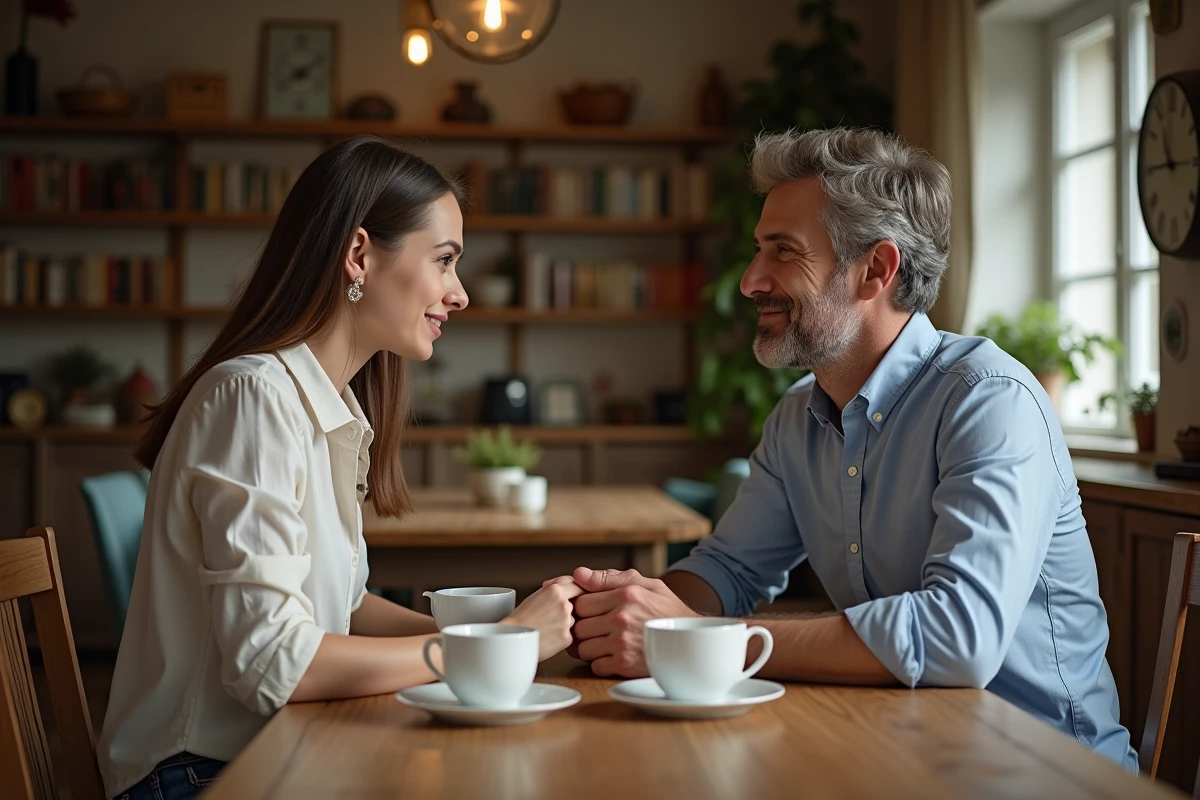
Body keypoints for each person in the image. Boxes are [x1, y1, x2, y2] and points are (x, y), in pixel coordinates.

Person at [551, 127, 1139, 770]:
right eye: (758, 251)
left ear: (876, 270)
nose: (751, 281)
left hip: (1044, 770)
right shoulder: (795, 419)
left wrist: (699, 642)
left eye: (784, 252)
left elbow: (956, 639)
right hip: (901, 748)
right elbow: (728, 571)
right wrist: (628, 612)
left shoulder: (988, 401)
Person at [98, 137, 583, 800]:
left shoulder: (330, 406)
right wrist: (494, 651)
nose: (460, 294)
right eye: (444, 261)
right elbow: (274, 665)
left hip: (272, 748)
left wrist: (496, 638)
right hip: (199, 774)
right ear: (358, 254)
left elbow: (340, 608)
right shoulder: (253, 397)